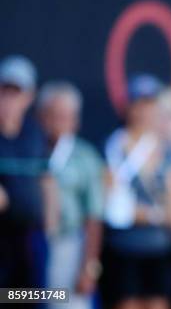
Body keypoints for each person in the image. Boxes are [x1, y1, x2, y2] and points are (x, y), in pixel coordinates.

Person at [100, 75, 171, 309]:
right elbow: (113, 208)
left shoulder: (166, 152)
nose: (145, 112)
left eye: (151, 104)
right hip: (123, 248)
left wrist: (147, 213)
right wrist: (155, 215)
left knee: (158, 303)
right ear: (129, 107)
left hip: (159, 250)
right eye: (140, 104)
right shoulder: (113, 148)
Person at [38, 81, 105, 309]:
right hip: (29, 246)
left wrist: (89, 268)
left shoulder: (85, 157)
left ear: (76, 120)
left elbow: (94, 216)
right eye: (54, 115)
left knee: (65, 304)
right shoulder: (31, 149)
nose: (59, 123)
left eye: (66, 116)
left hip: (68, 247)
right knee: (18, 297)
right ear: (42, 117)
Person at [0, 55, 53, 293]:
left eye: (16, 92)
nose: (9, 100)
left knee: (31, 297)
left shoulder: (35, 133)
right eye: (5, 91)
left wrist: (51, 223)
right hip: (2, 238)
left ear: (29, 97)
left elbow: (46, 178)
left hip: (31, 236)